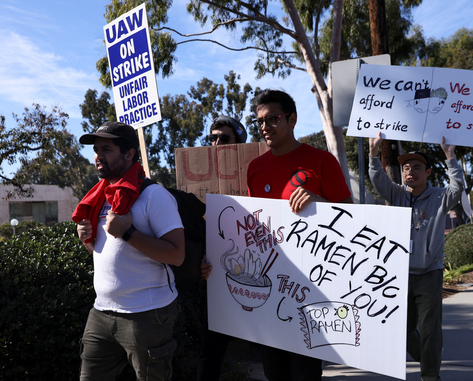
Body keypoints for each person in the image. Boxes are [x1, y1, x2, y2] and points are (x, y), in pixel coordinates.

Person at [246, 89, 353, 381]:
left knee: (305, 374)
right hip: (269, 289)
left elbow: (351, 217)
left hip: (311, 288)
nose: (265, 126)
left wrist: (319, 203)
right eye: (260, 121)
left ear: (292, 119)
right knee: (275, 373)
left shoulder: (321, 161)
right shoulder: (255, 168)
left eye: (273, 119)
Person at [73, 121, 185, 381]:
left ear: (129, 154)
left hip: (146, 315)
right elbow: (106, 254)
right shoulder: (102, 195)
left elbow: (177, 255)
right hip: (101, 312)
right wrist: (87, 240)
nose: (98, 156)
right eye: (96, 150)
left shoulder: (154, 196)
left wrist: (128, 233)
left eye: (106, 149)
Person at [368, 132, 464, 381]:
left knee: (431, 331)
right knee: (401, 330)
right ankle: (426, 355)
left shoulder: (440, 197)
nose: (411, 172)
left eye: (417, 168)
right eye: (407, 168)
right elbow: (377, 179)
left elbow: (458, 187)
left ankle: (430, 376)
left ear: (428, 172)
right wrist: (373, 154)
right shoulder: (398, 194)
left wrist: (450, 156)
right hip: (399, 274)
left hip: (429, 273)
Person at [197, 115, 248, 381]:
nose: (217, 143)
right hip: (218, 278)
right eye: (213, 138)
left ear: (239, 140)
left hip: (258, 275)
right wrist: (201, 260)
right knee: (211, 351)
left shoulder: (255, 175)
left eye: (224, 137)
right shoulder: (200, 185)